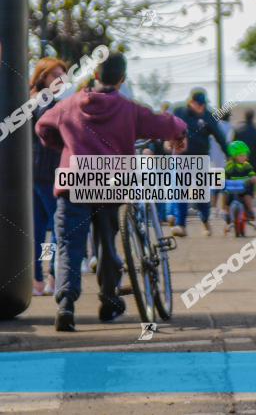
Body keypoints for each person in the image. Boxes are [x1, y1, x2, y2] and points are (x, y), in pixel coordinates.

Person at [36, 52, 187, 332]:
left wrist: (64, 147)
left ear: (95, 75)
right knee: (107, 242)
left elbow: (43, 126)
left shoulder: (68, 105)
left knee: (70, 243)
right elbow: (164, 123)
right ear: (122, 79)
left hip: (75, 180)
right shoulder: (128, 108)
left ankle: (66, 304)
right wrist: (180, 131)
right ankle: (108, 300)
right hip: (112, 181)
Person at [30, 57, 67, 296]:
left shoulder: (29, 99)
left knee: (37, 230)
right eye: (55, 75)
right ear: (43, 77)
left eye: (63, 75)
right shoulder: (46, 102)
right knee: (55, 229)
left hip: (32, 173)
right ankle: (51, 276)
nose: (61, 79)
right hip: (48, 172)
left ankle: (37, 280)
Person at [171, 88, 228, 237]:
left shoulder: (208, 116)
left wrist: (229, 154)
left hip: (201, 159)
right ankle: (180, 225)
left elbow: (220, 137)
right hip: (182, 158)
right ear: (191, 102)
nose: (201, 107)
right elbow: (168, 128)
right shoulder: (179, 113)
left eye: (203, 104)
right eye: (199, 104)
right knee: (181, 191)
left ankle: (205, 220)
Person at [222, 140, 256, 235]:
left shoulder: (247, 166)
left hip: (244, 189)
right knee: (225, 194)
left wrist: (253, 177)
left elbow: (251, 173)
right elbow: (224, 175)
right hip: (231, 190)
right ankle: (225, 211)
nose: (244, 157)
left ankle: (250, 211)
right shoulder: (230, 166)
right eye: (241, 155)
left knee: (247, 197)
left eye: (245, 155)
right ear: (234, 156)